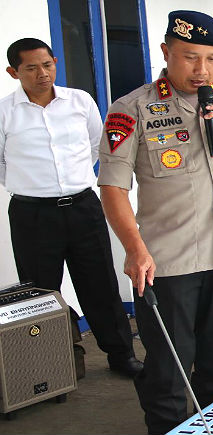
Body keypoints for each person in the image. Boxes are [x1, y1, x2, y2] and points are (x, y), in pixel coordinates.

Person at [97, 11, 213, 434]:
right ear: (166, 53)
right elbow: (112, 188)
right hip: (168, 266)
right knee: (167, 377)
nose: (202, 70)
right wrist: (134, 248)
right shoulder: (132, 108)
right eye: (190, 58)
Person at [0, 38, 142, 378]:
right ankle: (58, 359)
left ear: (56, 62)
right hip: (32, 214)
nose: (42, 74)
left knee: (100, 285)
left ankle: (121, 355)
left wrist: (69, 181)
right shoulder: (5, 111)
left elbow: (98, 147)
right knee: (40, 292)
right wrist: (34, 185)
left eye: (47, 65)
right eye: (31, 68)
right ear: (13, 72)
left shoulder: (80, 101)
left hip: (82, 207)